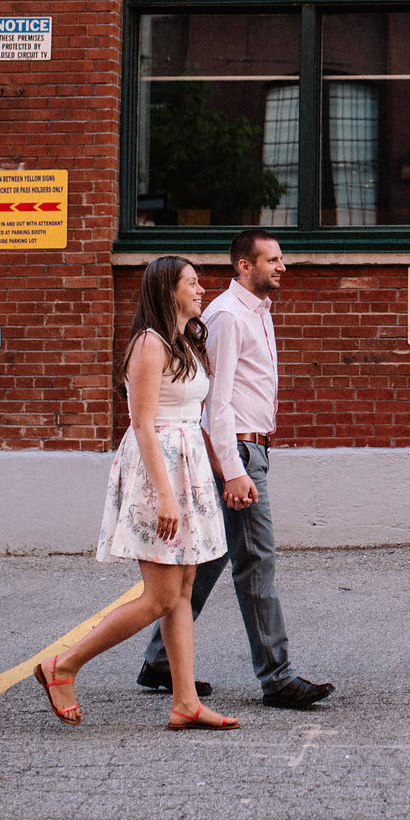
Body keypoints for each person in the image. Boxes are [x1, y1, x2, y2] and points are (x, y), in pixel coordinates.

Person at [33, 256, 242, 730]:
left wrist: (216, 469)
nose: (202, 290)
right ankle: (62, 666)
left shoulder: (183, 342)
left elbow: (191, 417)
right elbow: (143, 425)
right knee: (159, 597)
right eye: (193, 283)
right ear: (169, 289)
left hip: (185, 469)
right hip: (160, 472)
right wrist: (166, 497)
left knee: (182, 591)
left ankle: (185, 701)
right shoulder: (150, 344)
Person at [135, 229, 335, 710]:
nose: (282, 266)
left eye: (282, 258)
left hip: (252, 450)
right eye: (272, 259)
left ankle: (160, 662)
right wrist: (233, 469)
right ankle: (278, 676)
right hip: (238, 453)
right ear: (243, 266)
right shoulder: (226, 316)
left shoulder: (257, 313)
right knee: (256, 562)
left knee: (213, 557)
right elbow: (215, 403)